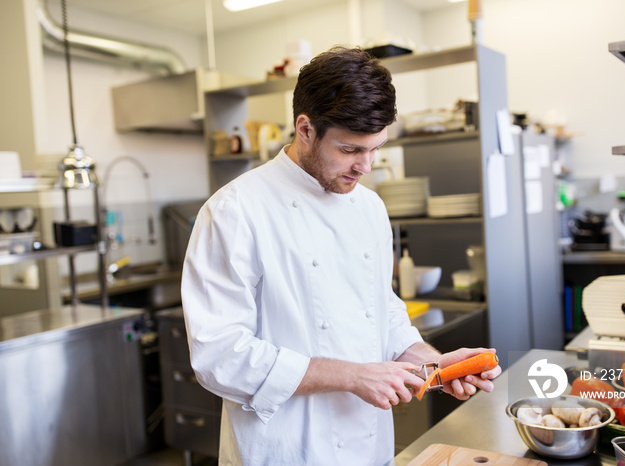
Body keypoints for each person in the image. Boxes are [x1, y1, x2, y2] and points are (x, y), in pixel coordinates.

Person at [181, 45, 501, 466]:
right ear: (305, 129)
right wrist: (351, 375)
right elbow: (219, 356)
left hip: (368, 447)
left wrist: (430, 363)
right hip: (284, 449)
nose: (365, 166)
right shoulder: (235, 211)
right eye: (350, 150)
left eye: (376, 148)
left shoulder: (369, 207)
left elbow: (382, 310)